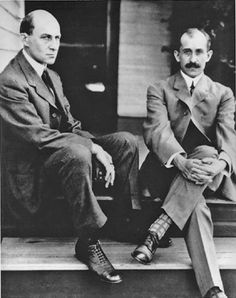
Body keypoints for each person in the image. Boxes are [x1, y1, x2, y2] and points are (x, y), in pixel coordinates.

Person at [0, 10, 142, 284]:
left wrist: (95, 144)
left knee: (126, 141)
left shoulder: (51, 75)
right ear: (24, 39)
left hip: (60, 159)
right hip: (34, 177)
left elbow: (71, 126)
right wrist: (90, 148)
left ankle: (121, 221)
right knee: (78, 151)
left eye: (57, 38)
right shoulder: (10, 82)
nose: (54, 45)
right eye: (45, 37)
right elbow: (39, 137)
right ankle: (88, 242)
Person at [131, 28, 236, 298]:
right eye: (187, 51)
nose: (193, 58)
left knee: (209, 153)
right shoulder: (159, 89)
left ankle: (157, 230)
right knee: (197, 204)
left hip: (205, 173)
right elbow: (157, 132)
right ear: (177, 55)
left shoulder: (222, 93)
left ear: (208, 55)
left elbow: (228, 137)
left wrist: (221, 164)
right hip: (165, 172)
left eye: (199, 51)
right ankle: (213, 291)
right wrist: (180, 161)